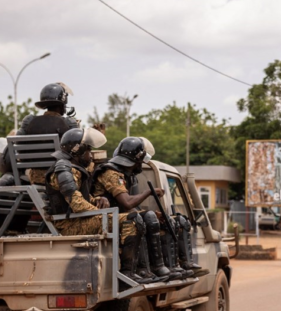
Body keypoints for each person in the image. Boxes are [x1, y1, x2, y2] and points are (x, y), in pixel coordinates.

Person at [91, 137, 182, 283]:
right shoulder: (111, 173)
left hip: (116, 216)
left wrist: (154, 214)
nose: (142, 164)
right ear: (134, 160)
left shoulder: (126, 174)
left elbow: (128, 207)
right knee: (139, 219)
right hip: (103, 219)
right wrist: (149, 192)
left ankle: (159, 267)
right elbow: (127, 203)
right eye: (141, 161)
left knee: (155, 218)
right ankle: (133, 270)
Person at [18, 82, 79, 184]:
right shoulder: (68, 123)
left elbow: (19, 144)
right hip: (58, 177)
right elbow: (76, 151)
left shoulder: (28, 122)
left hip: (34, 177)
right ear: (62, 105)